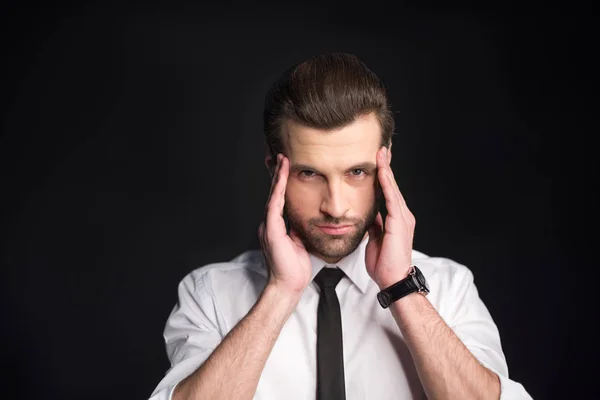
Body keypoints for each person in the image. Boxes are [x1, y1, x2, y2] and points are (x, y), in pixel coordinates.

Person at [148, 53, 532, 400]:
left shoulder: (448, 289)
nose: (335, 206)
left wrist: (402, 288)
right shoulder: (210, 295)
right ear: (274, 170)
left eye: (357, 172)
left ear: (385, 165)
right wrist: (281, 292)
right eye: (310, 173)